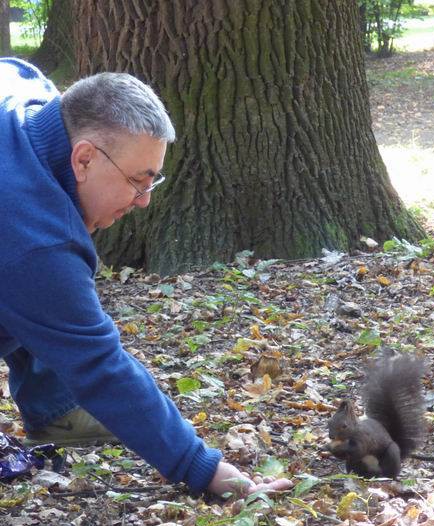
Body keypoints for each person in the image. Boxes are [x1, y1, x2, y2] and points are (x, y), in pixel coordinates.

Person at [0, 57, 292, 497]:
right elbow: (100, 365)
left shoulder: (27, 91)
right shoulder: (37, 239)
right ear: (83, 159)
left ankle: (52, 407)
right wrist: (203, 468)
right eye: (138, 181)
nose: (143, 202)